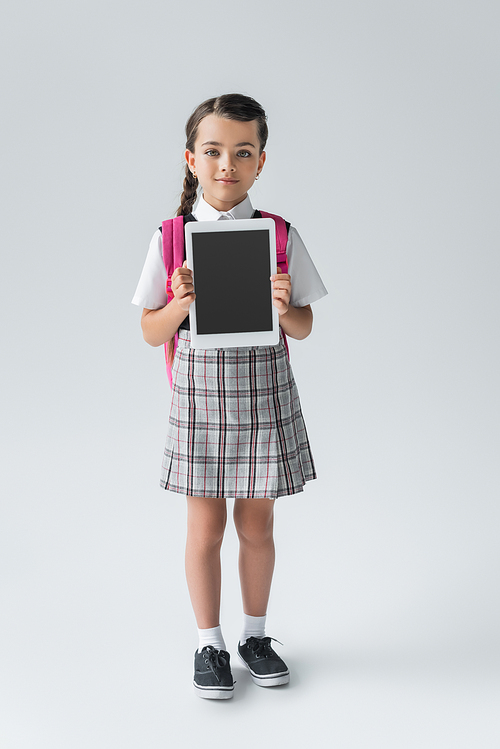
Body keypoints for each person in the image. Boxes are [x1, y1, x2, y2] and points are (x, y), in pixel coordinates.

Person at [132, 93, 327, 699]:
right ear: (191, 159)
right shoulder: (171, 239)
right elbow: (149, 331)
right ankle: (208, 643)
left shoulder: (278, 235)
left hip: (263, 393)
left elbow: (304, 327)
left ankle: (256, 635)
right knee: (204, 528)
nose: (227, 166)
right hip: (200, 399)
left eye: (242, 153)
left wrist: (283, 303)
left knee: (258, 524)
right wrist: (179, 305)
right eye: (213, 152)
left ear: (260, 162)